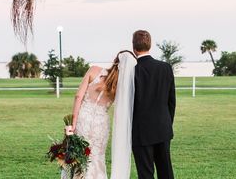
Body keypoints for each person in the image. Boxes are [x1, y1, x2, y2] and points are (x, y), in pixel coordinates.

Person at [65, 50, 137, 179]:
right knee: (97, 157)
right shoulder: (120, 88)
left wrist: (73, 123)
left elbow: (78, 96)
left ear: (115, 60)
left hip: (83, 119)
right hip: (101, 123)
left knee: (79, 155)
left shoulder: (94, 70)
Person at [131, 30, 176, 179]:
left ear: (133, 47)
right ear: (150, 45)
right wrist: (167, 123)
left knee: (145, 174)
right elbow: (171, 101)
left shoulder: (132, 71)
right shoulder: (166, 68)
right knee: (166, 172)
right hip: (163, 128)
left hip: (140, 131)